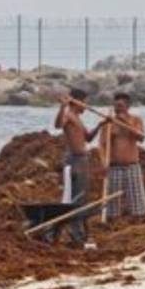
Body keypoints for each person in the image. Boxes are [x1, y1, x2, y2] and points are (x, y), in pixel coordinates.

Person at [89, 92, 145, 221]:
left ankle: (138, 221)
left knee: (136, 199)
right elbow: (102, 145)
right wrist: (103, 163)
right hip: (114, 166)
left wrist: (124, 122)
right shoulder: (109, 123)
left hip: (132, 165)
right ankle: (113, 222)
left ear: (128, 106)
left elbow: (140, 137)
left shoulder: (136, 120)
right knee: (112, 202)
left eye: (121, 105)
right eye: (116, 105)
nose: (118, 108)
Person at [53, 89, 94, 247]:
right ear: (77, 101)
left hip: (83, 160)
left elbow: (89, 138)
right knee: (73, 198)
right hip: (73, 161)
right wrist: (62, 107)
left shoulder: (78, 118)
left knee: (82, 198)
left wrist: (102, 124)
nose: (86, 106)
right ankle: (75, 234)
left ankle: (80, 234)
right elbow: (57, 125)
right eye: (84, 102)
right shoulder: (68, 114)